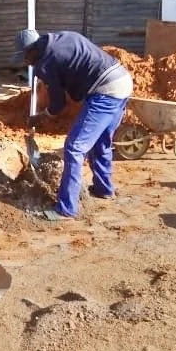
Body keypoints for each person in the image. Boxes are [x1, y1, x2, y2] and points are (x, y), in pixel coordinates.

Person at [13, 29, 133, 219]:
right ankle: (104, 189)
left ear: (32, 50)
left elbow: (58, 104)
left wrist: (41, 117)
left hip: (105, 90)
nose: (25, 62)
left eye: (25, 57)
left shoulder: (47, 62)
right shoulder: (61, 38)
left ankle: (66, 209)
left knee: (74, 147)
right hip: (123, 81)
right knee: (100, 142)